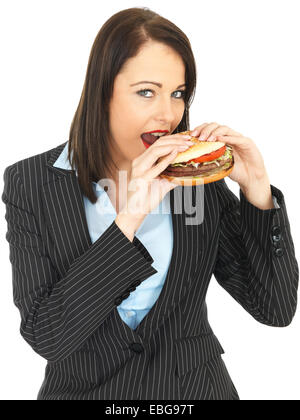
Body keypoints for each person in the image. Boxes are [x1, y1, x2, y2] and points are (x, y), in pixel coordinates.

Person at [2, 7, 298, 401]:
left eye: (177, 94)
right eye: (146, 91)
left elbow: (275, 309)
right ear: (102, 89)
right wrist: (131, 217)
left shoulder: (197, 180)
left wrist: (257, 191)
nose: (168, 115)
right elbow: (47, 336)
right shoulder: (31, 182)